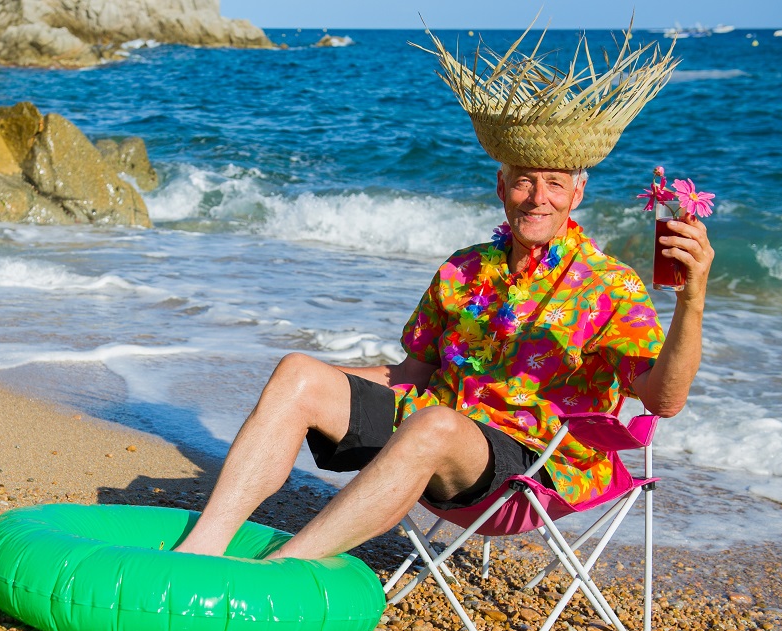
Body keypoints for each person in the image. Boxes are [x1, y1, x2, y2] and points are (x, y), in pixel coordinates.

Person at [175, 27, 712, 561]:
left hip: (531, 470)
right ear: (501, 187)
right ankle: (201, 550)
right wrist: (313, 387)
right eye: (524, 181)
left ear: (578, 191)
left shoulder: (611, 285)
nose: (537, 198)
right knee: (297, 373)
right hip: (431, 428)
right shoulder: (463, 268)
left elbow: (664, 401)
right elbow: (413, 374)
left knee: (432, 424)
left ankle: (287, 569)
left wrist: (691, 299)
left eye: (554, 183)